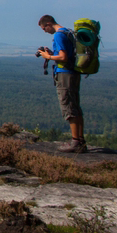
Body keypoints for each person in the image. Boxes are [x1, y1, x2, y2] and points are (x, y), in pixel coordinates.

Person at [38, 15, 86, 153]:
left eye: (44, 28)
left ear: (48, 23)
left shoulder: (59, 35)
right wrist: (53, 54)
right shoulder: (68, 32)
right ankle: (80, 139)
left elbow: (63, 58)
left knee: (69, 106)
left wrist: (48, 57)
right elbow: (67, 55)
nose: (45, 31)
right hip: (73, 73)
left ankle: (75, 142)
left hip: (65, 74)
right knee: (75, 106)